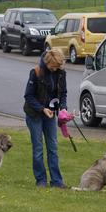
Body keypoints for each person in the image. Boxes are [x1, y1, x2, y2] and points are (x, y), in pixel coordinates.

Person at [24, 49, 67, 188]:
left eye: (58, 66)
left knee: (53, 148)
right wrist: (42, 109)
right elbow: (28, 96)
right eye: (52, 66)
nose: (54, 69)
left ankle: (57, 181)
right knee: (38, 149)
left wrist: (63, 108)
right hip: (35, 114)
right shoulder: (36, 72)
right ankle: (40, 180)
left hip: (50, 115)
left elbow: (63, 93)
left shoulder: (61, 73)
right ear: (47, 61)